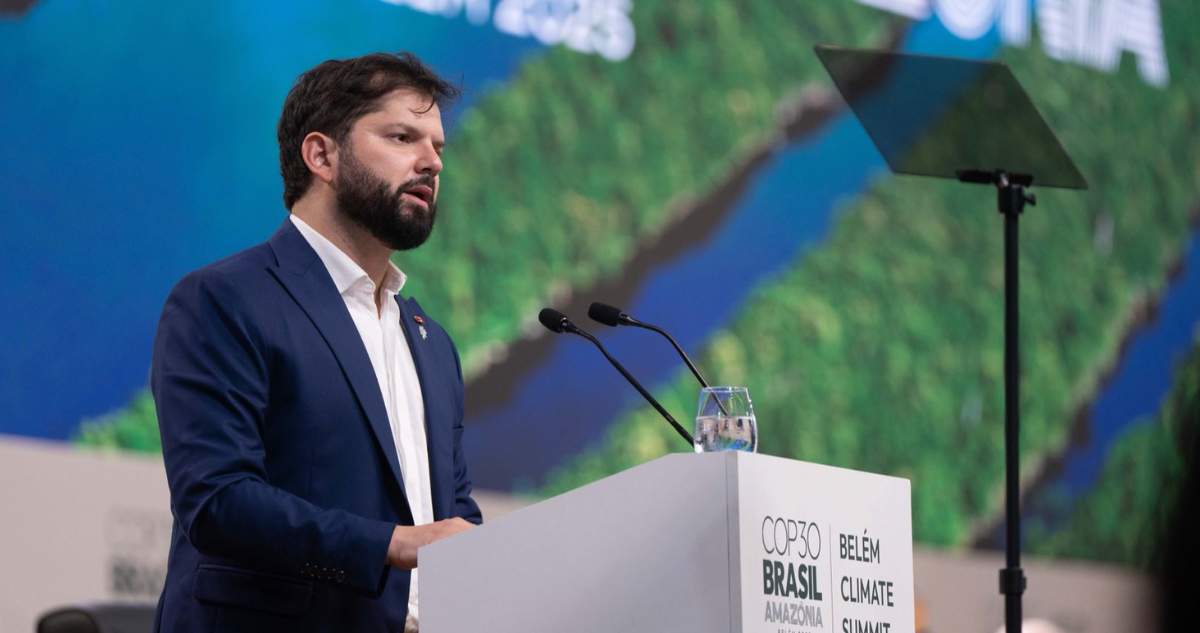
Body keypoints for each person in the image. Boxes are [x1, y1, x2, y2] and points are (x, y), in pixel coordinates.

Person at [150, 51, 481, 633]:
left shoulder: (431, 342)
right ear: (321, 154)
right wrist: (394, 543)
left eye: (439, 148)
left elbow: (451, 517)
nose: (431, 162)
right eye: (403, 137)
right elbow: (218, 501)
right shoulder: (225, 299)